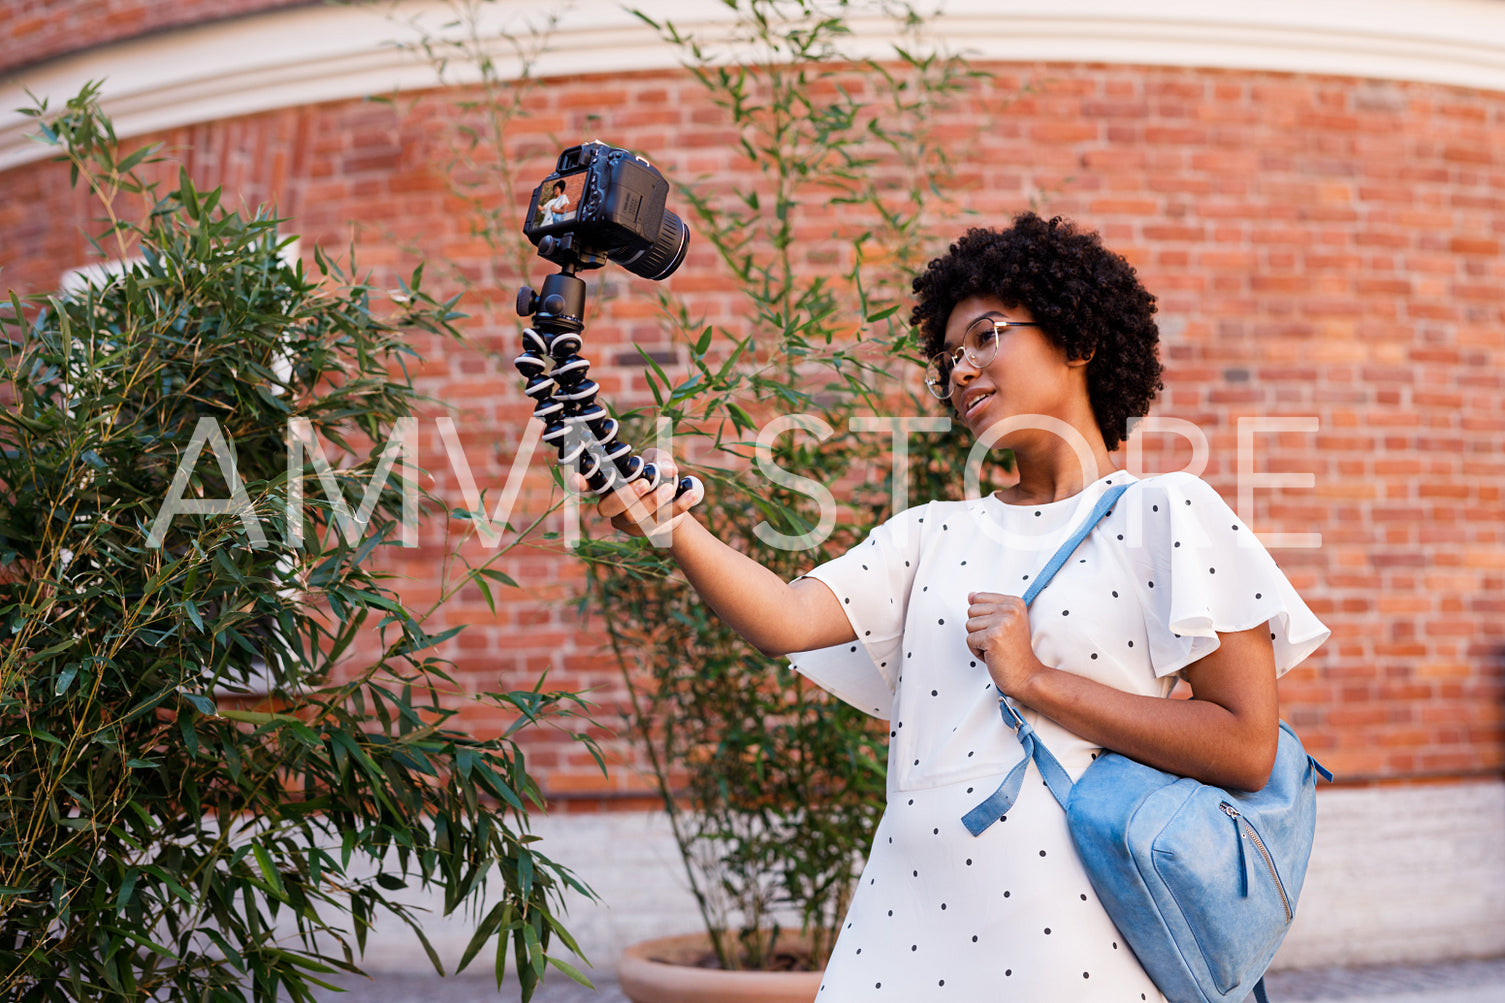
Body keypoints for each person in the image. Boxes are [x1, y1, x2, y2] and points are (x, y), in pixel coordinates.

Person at [586, 211, 1329, 999]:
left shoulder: (1167, 514)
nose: (960, 369)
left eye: (986, 336)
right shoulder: (929, 533)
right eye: (947, 356)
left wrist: (1036, 680)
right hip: (897, 932)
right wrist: (671, 523)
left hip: (1074, 951)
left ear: (1076, 339)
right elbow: (783, 619)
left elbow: (1245, 745)